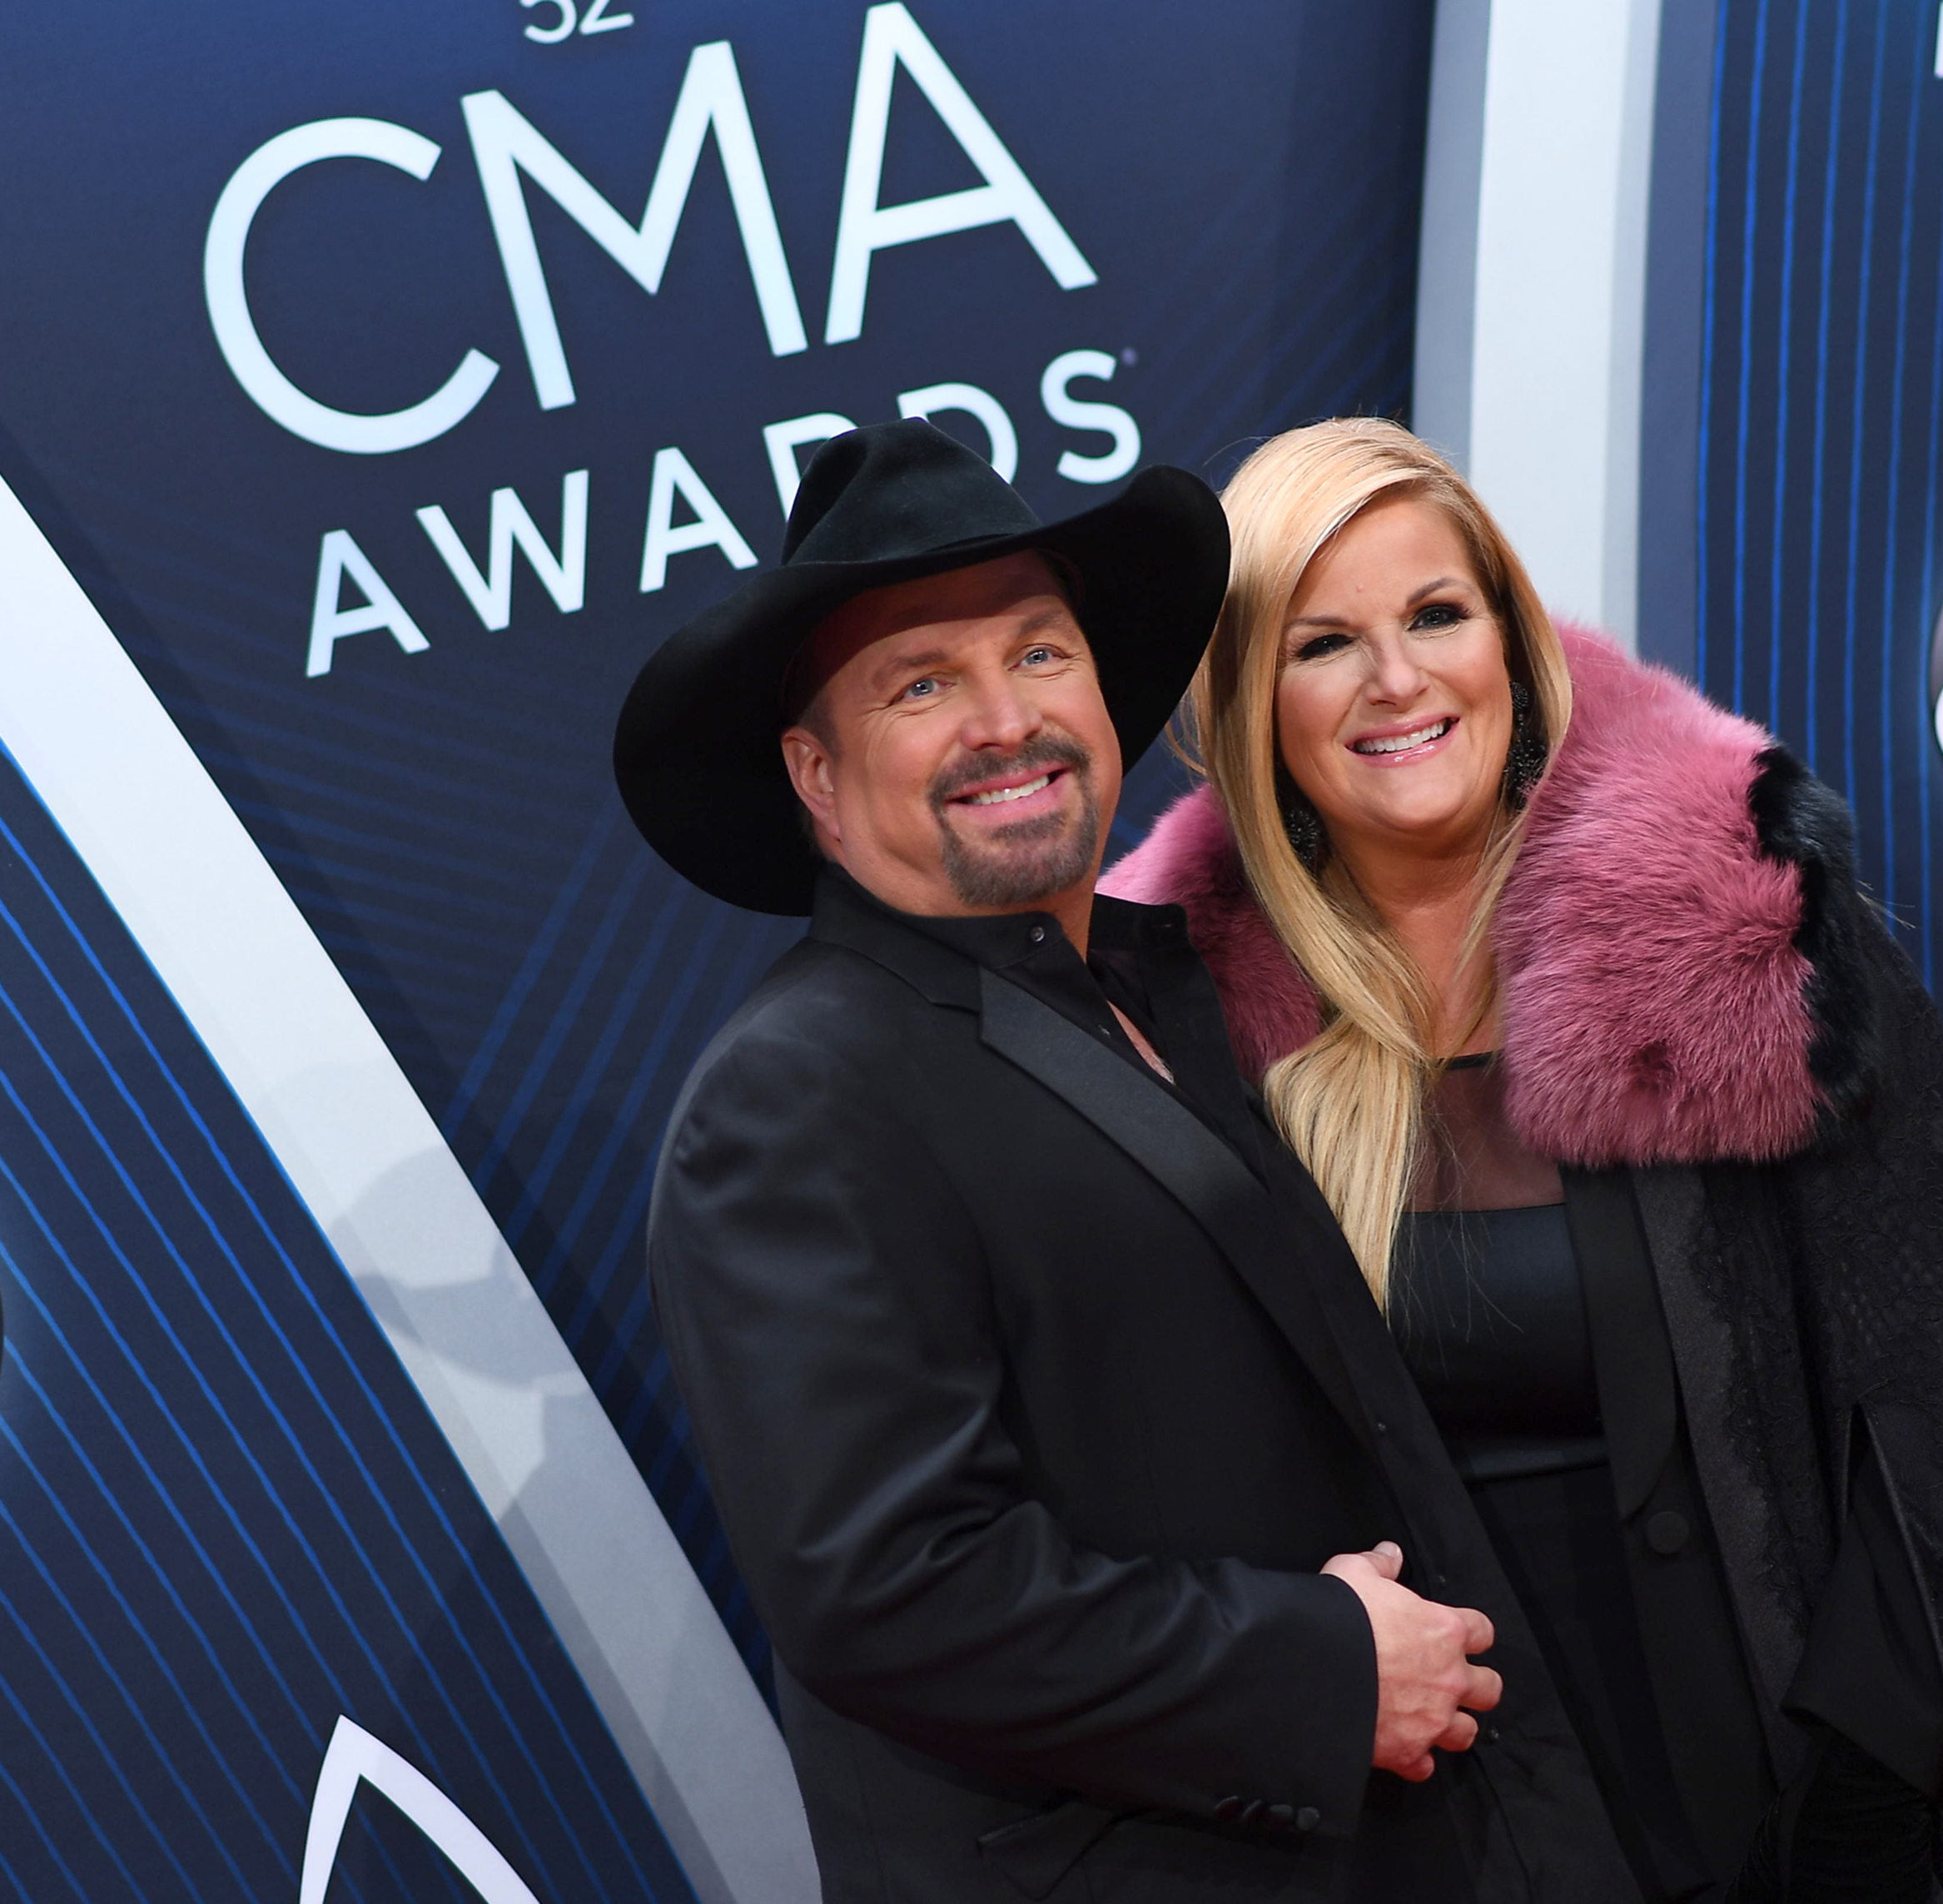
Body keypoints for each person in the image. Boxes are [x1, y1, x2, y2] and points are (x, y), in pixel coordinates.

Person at [1103, 417, 1943, 1903]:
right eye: (1325, 644)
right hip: (1449, 1837)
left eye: (1436, 615)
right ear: (1252, 703)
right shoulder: (1182, 1043)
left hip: (1799, 1802)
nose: (1398, 679)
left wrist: (1858, 1791)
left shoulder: (1739, 924)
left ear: (1510, 642)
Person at [616, 419, 1629, 1902]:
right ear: (815, 777)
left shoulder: (1186, 988)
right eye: (921, 684)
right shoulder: (797, 1091)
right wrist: (1320, 1668)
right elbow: (891, 1588)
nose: (1004, 719)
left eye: (1040, 654)